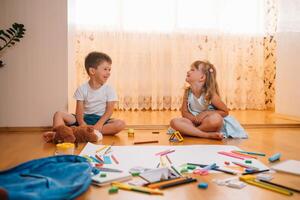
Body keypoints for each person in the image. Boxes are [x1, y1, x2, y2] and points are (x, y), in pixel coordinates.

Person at [43, 52, 125, 142]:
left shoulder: (109, 89)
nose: (108, 73)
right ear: (92, 71)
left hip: (100, 120)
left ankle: (75, 133)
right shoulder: (82, 89)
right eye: (105, 69)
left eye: (109, 69)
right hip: (83, 119)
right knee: (58, 114)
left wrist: (99, 124)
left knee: (120, 124)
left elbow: (109, 111)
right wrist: (82, 123)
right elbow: (79, 111)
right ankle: (60, 133)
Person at [170, 60, 247, 140]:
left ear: (202, 77)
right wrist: (193, 118)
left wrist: (206, 113)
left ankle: (190, 132)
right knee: (174, 122)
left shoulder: (210, 94)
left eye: (192, 70)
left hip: (208, 122)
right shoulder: (188, 92)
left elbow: (225, 111)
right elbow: (184, 112)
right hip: (194, 122)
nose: (188, 71)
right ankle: (205, 135)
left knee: (216, 119)